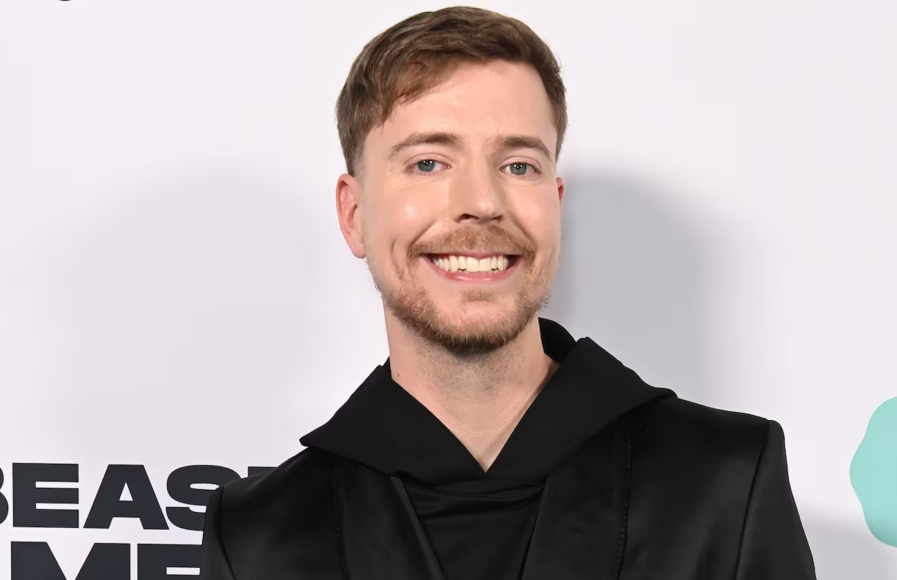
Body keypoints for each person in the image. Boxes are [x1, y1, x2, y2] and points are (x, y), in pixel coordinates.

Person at [198, 6, 816, 579]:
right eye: (428, 163)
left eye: (519, 165)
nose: (483, 204)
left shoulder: (725, 480)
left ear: (555, 202)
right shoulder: (258, 536)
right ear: (354, 214)